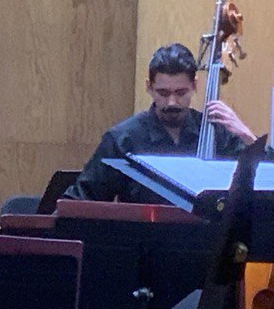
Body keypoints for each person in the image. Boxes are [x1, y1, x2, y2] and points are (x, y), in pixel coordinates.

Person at [63, 43, 261, 203]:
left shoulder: (218, 134)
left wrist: (247, 136)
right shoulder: (123, 138)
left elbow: (273, 183)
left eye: (181, 93)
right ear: (149, 87)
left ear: (195, 85)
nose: (172, 102)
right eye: (163, 93)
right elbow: (80, 201)